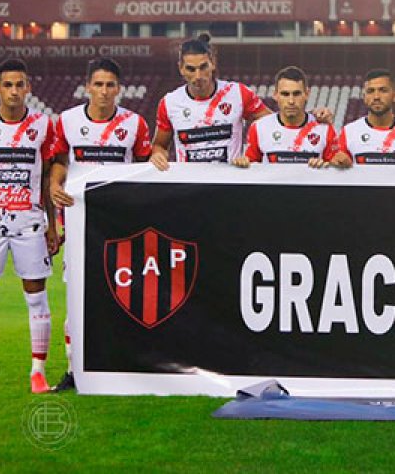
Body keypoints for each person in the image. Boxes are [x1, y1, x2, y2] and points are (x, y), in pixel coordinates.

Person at [47, 57, 152, 391]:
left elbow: (146, 167)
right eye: (99, 84)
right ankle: (73, 368)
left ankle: (124, 366)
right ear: (87, 86)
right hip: (80, 224)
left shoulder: (135, 124)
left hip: (119, 225)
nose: (104, 91)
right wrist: (54, 184)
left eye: (110, 85)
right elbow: (59, 162)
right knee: (76, 297)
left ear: (119, 89)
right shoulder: (66, 121)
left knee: (123, 296)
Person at [0, 58, 58, 393]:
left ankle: (37, 372)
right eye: (8, 85)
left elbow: (50, 174)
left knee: (36, 297)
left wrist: (52, 226)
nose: (14, 91)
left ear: (28, 87)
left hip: (30, 224)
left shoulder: (43, 126)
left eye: (20, 84)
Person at [150, 34, 270, 169]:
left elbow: (273, 124)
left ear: (212, 63)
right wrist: (157, 154)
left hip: (230, 182)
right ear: (181, 69)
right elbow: (159, 145)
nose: (198, 76)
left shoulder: (238, 93)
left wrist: (251, 153)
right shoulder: (169, 103)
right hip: (189, 184)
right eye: (191, 69)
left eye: (203, 67)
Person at [232, 66, 338, 167]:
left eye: (296, 94)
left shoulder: (324, 129)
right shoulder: (259, 128)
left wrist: (326, 166)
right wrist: (242, 163)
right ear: (275, 95)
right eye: (285, 94)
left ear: (307, 94)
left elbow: (337, 170)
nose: (291, 101)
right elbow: (251, 169)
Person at [331, 69, 395, 168]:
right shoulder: (348, 132)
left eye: (383, 90)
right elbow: (339, 169)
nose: (376, 96)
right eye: (370, 91)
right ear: (365, 97)